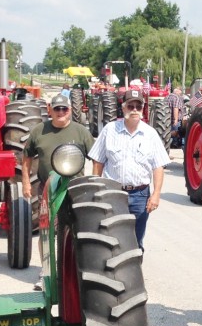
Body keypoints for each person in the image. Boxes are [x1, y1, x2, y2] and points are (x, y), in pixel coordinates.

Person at [22, 93, 95, 287]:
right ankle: (46, 272)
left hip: (76, 189)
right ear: (50, 110)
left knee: (80, 229)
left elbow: (96, 157)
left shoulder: (80, 132)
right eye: (57, 109)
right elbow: (27, 157)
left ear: (70, 110)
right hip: (48, 189)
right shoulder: (39, 131)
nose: (61, 112)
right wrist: (26, 183)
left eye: (64, 109)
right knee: (47, 231)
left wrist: (94, 180)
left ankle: (80, 271)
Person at [88, 87, 170, 251]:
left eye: (138, 107)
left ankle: (133, 274)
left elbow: (158, 166)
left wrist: (156, 194)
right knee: (111, 238)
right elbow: (98, 163)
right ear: (123, 107)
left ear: (142, 109)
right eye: (130, 106)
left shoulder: (150, 134)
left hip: (140, 196)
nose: (134, 110)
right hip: (113, 193)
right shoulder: (109, 130)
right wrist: (96, 189)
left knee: (135, 241)